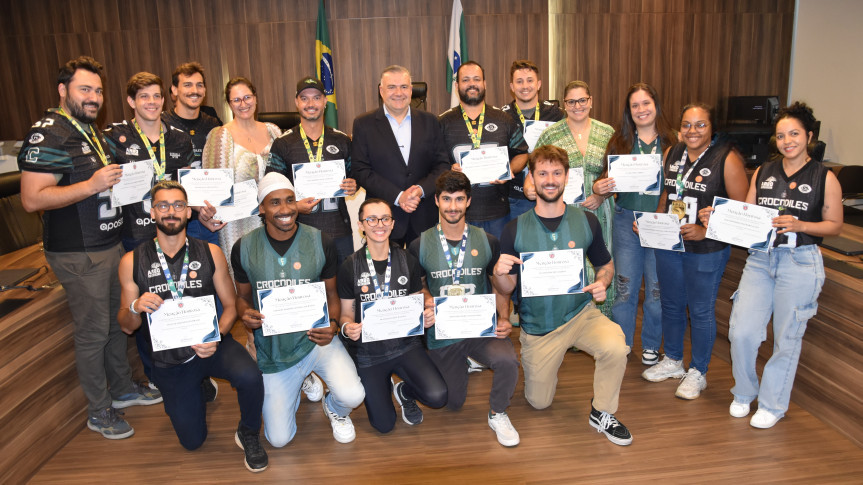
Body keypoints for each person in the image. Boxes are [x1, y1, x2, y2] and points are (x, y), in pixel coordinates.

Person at [18, 56, 161, 440]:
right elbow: (32, 199)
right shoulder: (49, 133)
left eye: (98, 90)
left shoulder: (88, 130)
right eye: (85, 89)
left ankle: (123, 390)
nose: (94, 97)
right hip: (78, 251)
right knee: (94, 332)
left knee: (117, 325)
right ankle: (99, 411)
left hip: (109, 243)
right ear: (63, 91)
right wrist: (93, 184)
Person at [700, 102, 842, 428]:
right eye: (781, 135)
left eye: (794, 134)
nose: (787, 140)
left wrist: (801, 225)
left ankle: (772, 404)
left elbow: (834, 225)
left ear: (809, 136)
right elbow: (747, 215)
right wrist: (718, 216)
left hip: (800, 263)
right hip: (761, 260)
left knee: (786, 338)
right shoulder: (763, 172)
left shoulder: (824, 178)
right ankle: (744, 392)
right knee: (742, 331)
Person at [116, 180, 267, 472]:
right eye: (163, 205)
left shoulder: (210, 252)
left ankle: (248, 433)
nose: (170, 211)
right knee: (192, 441)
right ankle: (199, 386)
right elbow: (126, 325)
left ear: (188, 213)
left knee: (250, 376)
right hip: (170, 359)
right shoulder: (131, 261)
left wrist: (217, 336)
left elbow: (231, 304)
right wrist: (134, 307)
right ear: (152, 212)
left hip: (211, 344)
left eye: (178, 205)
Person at [492, 145, 632, 446]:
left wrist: (602, 281)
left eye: (557, 173)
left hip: (580, 314)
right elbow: (506, 289)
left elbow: (605, 265)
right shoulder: (514, 229)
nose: (550, 179)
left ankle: (602, 412)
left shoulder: (586, 220)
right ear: (532, 177)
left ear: (567, 177)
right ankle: (546, 370)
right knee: (538, 402)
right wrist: (500, 272)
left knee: (616, 346)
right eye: (542, 173)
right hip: (540, 326)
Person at [232, 172, 365, 447]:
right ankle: (302, 380)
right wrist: (245, 314)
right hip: (275, 349)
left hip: (315, 340)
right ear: (261, 208)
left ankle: (334, 408)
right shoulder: (244, 247)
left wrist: (333, 323)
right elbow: (242, 297)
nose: (284, 209)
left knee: (353, 396)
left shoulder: (320, 241)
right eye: (275, 202)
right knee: (279, 439)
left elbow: (331, 292)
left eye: (290, 200)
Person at [641, 103, 749, 399]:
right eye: (687, 124)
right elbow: (667, 193)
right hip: (671, 245)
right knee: (672, 305)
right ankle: (674, 360)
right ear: (679, 128)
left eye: (700, 125)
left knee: (700, 311)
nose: (693, 131)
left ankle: (698, 371)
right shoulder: (672, 153)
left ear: (711, 128)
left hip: (706, 250)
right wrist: (654, 223)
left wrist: (706, 231)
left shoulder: (726, 160)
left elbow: (743, 213)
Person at [408, 171, 521, 446]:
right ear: (436, 201)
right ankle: (458, 366)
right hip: (443, 333)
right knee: (451, 401)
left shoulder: (488, 241)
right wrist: (426, 300)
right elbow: (418, 287)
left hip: (480, 327)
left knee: (507, 360)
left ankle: (498, 413)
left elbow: (498, 285)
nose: (453, 206)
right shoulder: (419, 244)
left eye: (459, 199)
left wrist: (504, 318)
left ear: (468, 201)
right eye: (447, 199)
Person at [338, 198, 447, 433]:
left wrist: (426, 316)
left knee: (438, 396)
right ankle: (381, 385)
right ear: (361, 225)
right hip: (369, 353)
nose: (379, 224)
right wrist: (348, 328)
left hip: (405, 345)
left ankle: (404, 391)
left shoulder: (407, 260)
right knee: (384, 425)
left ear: (392, 223)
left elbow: (418, 301)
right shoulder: (350, 266)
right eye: (372, 219)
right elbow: (345, 314)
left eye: (385, 218)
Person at [592, 83, 677, 365]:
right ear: (629, 112)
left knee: (655, 290)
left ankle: (652, 345)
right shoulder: (620, 142)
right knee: (625, 288)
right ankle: (623, 344)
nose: (641, 110)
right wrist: (600, 186)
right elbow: (604, 181)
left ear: (656, 105)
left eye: (646, 103)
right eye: (635, 106)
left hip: (660, 223)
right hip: (626, 219)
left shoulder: (673, 142)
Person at [532, 81, 616, 317]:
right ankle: (567, 321)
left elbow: (617, 171)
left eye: (582, 100)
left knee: (600, 261)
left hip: (601, 211)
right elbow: (537, 166)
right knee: (566, 263)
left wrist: (601, 194)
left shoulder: (607, 132)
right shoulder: (551, 134)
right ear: (564, 104)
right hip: (562, 212)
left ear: (590, 101)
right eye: (571, 101)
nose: (577, 106)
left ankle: (600, 319)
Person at [352, 65, 451, 246]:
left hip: (423, 216)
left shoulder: (430, 121)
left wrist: (419, 191)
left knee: (422, 273)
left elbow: (442, 165)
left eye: (404, 87)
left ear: (411, 90)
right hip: (381, 219)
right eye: (391, 87)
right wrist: (399, 196)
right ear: (381, 91)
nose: (398, 92)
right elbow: (361, 170)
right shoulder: (363, 124)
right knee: (382, 273)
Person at [268, 77, 357, 263]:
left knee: (343, 289)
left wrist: (354, 184)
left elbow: (356, 174)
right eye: (304, 98)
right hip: (299, 232)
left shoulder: (341, 140)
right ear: (296, 102)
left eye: (316, 97)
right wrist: (294, 207)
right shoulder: (283, 143)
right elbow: (272, 191)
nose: (311, 103)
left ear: (325, 101)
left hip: (338, 231)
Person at [103, 72, 195, 251]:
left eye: (156, 96)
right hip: (134, 235)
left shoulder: (180, 139)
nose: (151, 101)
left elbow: (188, 185)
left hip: (174, 231)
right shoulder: (114, 137)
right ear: (131, 101)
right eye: (144, 96)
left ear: (163, 100)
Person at [439, 61, 528, 240]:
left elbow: (522, 153)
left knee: (500, 265)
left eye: (477, 79)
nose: (472, 84)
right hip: (458, 215)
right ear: (457, 86)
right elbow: (434, 163)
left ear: (484, 83)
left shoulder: (504, 119)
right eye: (466, 80)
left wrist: (509, 171)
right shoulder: (443, 122)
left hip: (498, 212)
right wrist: (449, 170)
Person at [200, 77, 282, 261]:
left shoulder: (274, 131)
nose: (243, 104)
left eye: (247, 97)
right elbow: (213, 189)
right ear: (229, 104)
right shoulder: (220, 136)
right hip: (238, 224)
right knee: (244, 276)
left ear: (255, 98)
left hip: (276, 219)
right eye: (236, 100)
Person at [162, 62, 223, 246]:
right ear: (174, 90)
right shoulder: (161, 124)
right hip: (176, 218)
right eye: (187, 85)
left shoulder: (214, 124)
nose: (194, 90)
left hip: (210, 217)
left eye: (199, 85)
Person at [500, 60, 564, 221]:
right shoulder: (501, 117)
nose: (525, 86)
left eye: (530, 80)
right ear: (512, 87)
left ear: (539, 84)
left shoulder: (556, 114)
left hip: (552, 194)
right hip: (515, 197)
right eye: (519, 81)